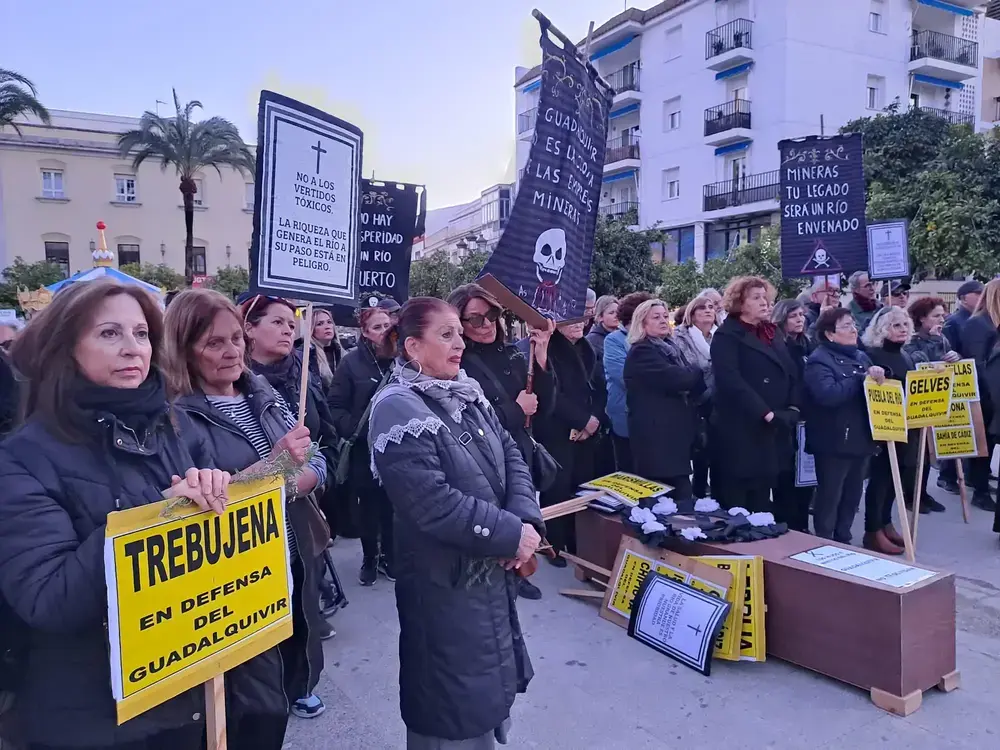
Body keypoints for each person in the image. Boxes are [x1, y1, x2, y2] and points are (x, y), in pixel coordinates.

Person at [0, 280, 233, 749]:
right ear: (66, 348)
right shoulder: (22, 458)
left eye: (142, 333)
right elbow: (49, 598)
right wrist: (161, 515)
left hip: (186, 696)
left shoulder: (176, 425)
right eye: (109, 334)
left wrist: (220, 494)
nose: (133, 349)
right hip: (94, 718)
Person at [367, 297, 544, 750]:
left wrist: (524, 523)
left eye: (458, 333)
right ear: (412, 347)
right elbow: (433, 503)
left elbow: (511, 456)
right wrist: (509, 534)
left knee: (484, 688)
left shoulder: (466, 390)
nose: (460, 343)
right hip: (443, 583)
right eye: (446, 335)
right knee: (450, 705)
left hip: (489, 572)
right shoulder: (396, 408)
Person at [163, 288, 330, 727]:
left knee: (299, 631)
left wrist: (302, 478)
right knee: (254, 698)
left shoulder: (264, 395)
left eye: (235, 338)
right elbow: (191, 504)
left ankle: (299, 687)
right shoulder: (175, 419)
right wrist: (273, 471)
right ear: (184, 348)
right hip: (239, 574)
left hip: (293, 544)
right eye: (213, 343)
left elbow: (313, 457)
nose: (231, 351)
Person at [240, 294, 334, 717]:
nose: (287, 330)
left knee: (301, 604)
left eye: (289, 322)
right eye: (275, 322)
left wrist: (314, 471)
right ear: (250, 329)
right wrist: (277, 468)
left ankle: (300, 682)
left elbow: (318, 438)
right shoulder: (243, 388)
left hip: (296, 517)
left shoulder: (299, 374)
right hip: (251, 532)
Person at [445, 283, 553, 601]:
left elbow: (546, 404)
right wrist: (517, 410)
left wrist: (543, 356)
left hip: (519, 453)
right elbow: (464, 420)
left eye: (491, 314)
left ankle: (518, 568)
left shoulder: (515, 353)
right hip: (482, 461)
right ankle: (505, 574)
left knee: (520, 513)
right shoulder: (456, 363)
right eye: (475, 319)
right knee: (496, 520)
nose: (487, 323)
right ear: (458, 324)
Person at [710, 277, 798, 512]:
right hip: (743, 426)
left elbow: (790, 371)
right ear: (740, 303)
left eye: (766, 298)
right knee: (739, 498)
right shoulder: (727, 336)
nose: (765, 303)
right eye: (756, 298)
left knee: (764, 493)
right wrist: (765, 412)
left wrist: (793, 408)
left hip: (775, 424)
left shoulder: (771, 332)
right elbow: (731, 381)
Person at [523, 320, 603, 563]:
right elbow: (551, 394)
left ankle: (579, 543)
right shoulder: (546, 349)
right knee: (557, 490)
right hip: (557, 430)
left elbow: (599, 387)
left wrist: (594, 420)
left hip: (587, 429)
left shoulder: (587, 348)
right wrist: (580, 420)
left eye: (582, 318)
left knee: (582, 487)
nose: (579, 323)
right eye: (572, 319)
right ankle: (554, 546)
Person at [328, 307, 396, 586]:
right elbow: (335, 406)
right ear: (365, 333)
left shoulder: (401, 359)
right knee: (368, 508)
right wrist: (356, 430)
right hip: (364, 452)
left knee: (392, 506)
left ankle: (390, 557)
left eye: (387, 326)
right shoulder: (351, 364)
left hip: (395, 449)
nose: (384, 332)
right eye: (377, 327)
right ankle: (369, 558)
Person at [803, 308, 882, 542]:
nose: (853, 330)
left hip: (860, 439)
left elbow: (873, 381)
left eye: (853, 324)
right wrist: (859, 380)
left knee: (852, 496)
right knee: (830, 497)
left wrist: (879, 372)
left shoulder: (860, 356)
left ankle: (844, 538)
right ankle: (825, 541)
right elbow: (827, 395)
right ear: (830, 334)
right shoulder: (819, 360)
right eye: (846, 326)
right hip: (834, 441)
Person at [624, 299, 705, 502]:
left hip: (675, 437)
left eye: (664, 316)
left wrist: (691, 374)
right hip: (656, 441)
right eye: (656, 317)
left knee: (681, 495)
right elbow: (681, 379)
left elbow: (694, 383)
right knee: (665, 501)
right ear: (642, 323)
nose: (663, 320)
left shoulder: (670, 347)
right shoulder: (642, 352)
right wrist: (695, 371)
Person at [861, 307, 919, 554]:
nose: (902, 329)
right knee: (881, 479)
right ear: (882, 328)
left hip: (905, 426)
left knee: (896, 480)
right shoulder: (872, 354)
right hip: (882, 428)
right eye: (896, 325)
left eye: (905, 324)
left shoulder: (905, 355)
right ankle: (873, 530)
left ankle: (885, 522)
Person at [770, 299, 815, 532]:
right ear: (782, 318)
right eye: (794, 316)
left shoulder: (807, 343)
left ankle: (802, 524)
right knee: (786, 477)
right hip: (787, 417)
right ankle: (786, 524)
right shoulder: (776, 344)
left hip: (807, 418)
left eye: (802, 316)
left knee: (805, 477)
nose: (800, 320)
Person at [959, 280, 1000, 514]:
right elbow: (976, 362)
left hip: (992, 393)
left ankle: (982, 483)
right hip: (983, 395)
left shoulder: (992, 322)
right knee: (983, 446)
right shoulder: (978, 323)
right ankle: (980, 491)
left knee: (991, 445)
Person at [603, 291, 654, 473]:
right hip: (626, 415)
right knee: (630, 471)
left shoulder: (657, 340)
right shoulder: (614, 340)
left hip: (654, 418)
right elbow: (626, 378)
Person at [674, 294, 717, 499]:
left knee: (714, 453)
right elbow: (688, 369)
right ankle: (695, 495)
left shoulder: (719, 335)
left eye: (711, 307)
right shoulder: (681, 337)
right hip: (694, 402)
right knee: (698, 452)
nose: (708, 310)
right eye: (702, 308)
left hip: (719, 402)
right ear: (692, 314)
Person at [943, 280, 984, 359]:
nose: (983, 297)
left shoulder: (985, 320)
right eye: (978, 293)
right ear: (963, 298)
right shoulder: (952, 322)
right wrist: (959, 356)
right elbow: (947, 351)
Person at [308, 307, 343, 388]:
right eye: (320, 324)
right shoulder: (307, 356)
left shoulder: (341, 352)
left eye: (329, 322)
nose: (327, 327)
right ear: (312, 329)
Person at [586, 295, 619, 362]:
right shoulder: (591, 341)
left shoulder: (624, 336)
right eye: (611, 313)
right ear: (600, 317)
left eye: (618, 312)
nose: (616, 316)